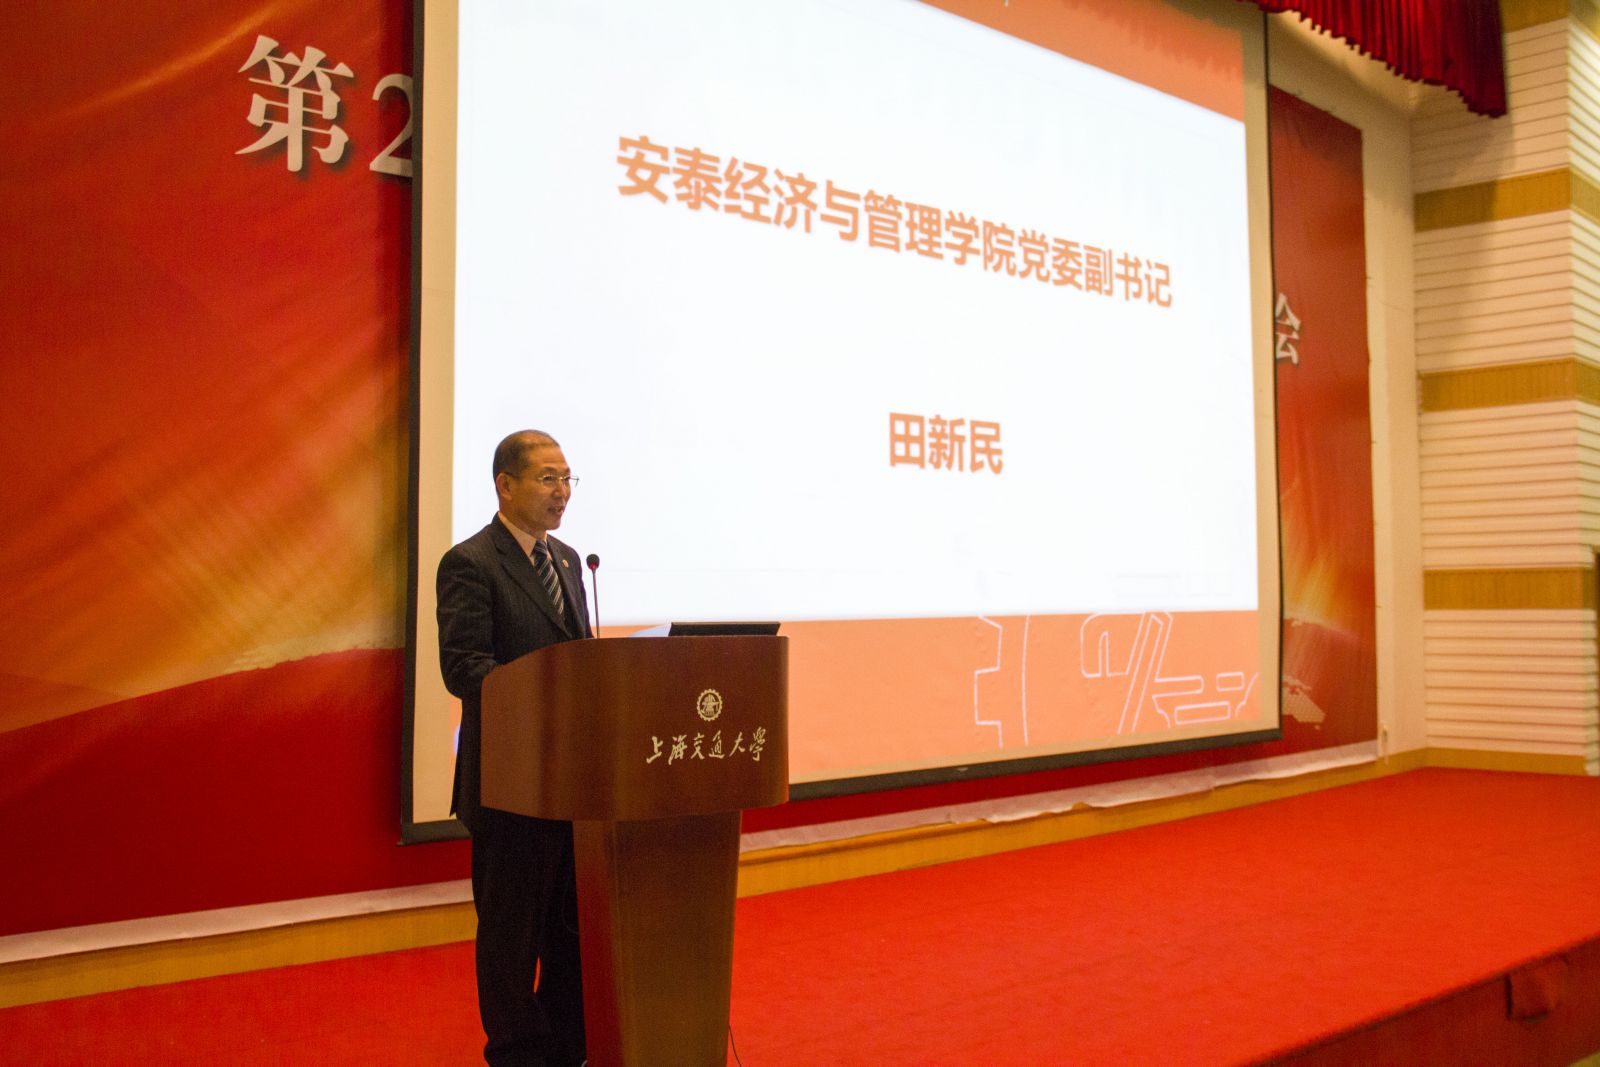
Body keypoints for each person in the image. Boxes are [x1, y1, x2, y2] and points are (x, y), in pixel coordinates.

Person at [437, 429, 591, 1067]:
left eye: (567, 479)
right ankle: (517, 1054)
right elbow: (464, 669)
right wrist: (545, 693)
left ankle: (567, 1045)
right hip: (508, 783)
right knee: (510, 936)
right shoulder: (471, 563)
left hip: (569, 782)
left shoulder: (569, 561)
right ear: (506, 485)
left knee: (568, 930)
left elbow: (581, 662)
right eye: (548, 479)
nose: (562, 493)